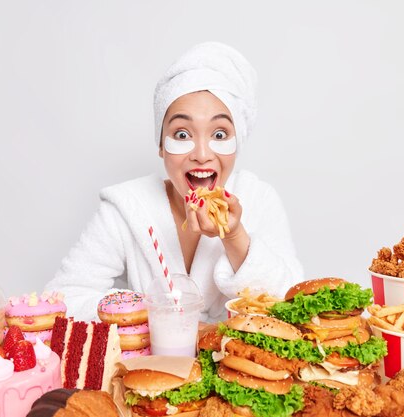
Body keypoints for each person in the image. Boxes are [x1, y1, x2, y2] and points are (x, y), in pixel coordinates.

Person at [45, 42, 303, 322]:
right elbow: (63, 296)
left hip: (237, 362)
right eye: (182, 134)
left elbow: (289, 303)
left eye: (219, 135)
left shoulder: (259, 198)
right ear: (161, 145)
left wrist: (234, 236)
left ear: (237, 143)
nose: (202, 155)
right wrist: (150, 311)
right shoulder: (128, 207)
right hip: (155, 362)